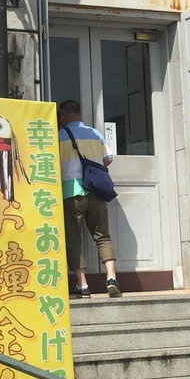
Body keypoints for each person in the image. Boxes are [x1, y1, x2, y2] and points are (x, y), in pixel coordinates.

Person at [57, 100, 121, 298]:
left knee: (73, 240)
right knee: (103, 236)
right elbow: (108, 158)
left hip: (72, 193)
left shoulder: (58, 137)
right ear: (80, 114)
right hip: (96, 191)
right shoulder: (95, 134)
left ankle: (82, 284)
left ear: (62, 116)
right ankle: (111, 277)